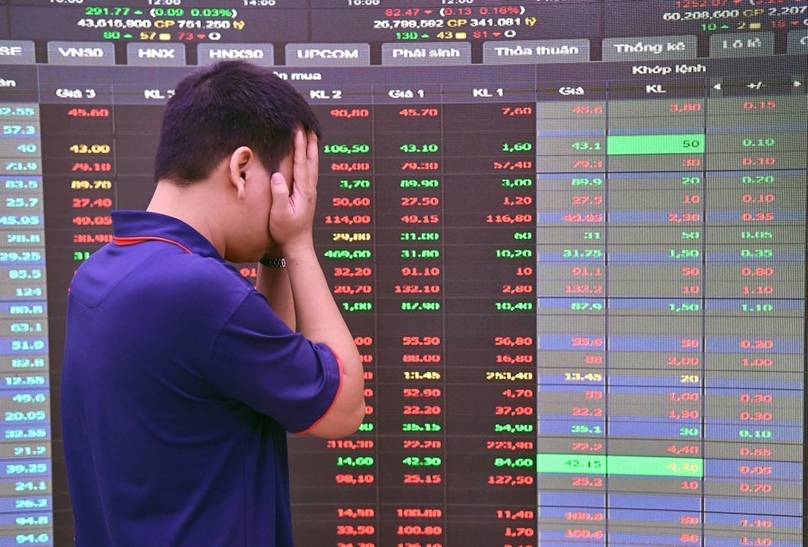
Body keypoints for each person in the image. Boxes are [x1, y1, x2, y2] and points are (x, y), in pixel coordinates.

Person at [60, 60, 365, 546]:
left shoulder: (100, 272)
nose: (293, 204)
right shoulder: (200, 291)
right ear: (242, 169)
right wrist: (298, 244)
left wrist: (275, 257)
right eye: (287, 183)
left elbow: (259, 381)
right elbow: (344, 406)